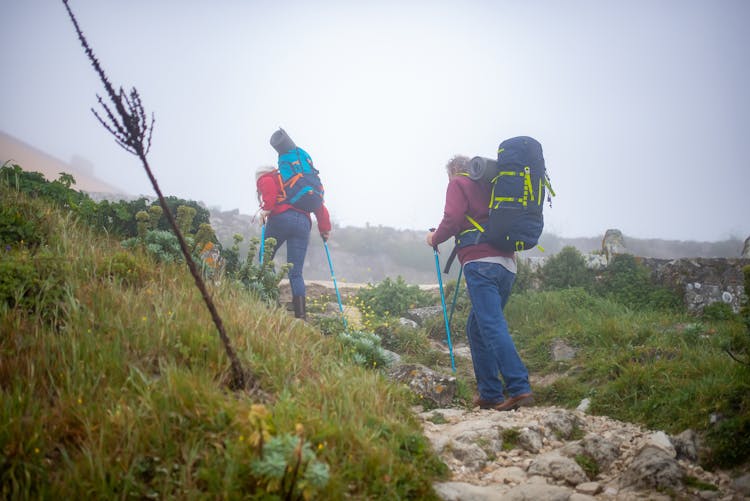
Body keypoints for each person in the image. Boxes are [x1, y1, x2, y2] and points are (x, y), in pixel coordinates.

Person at [426, 155, 533, 411]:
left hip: (480, 262)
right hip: (507, 265)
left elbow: (452, 219)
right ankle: (490, 393)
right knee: (477, 327)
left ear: (453, 170)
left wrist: (434, 238)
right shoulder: (493, 185)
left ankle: (519, 388)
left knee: (492, 325)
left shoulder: (458, 183)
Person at [256, 131, 331, 320]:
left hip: (282, 218)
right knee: (295, 271)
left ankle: (269, 300)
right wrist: (324, 229)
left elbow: (270, 196)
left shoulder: (268, 177)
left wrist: (265, 211)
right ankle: (301, 315)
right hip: (303, 223)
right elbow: (320, 207)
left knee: (265, 258)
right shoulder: (298, 181)